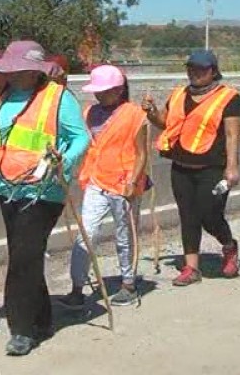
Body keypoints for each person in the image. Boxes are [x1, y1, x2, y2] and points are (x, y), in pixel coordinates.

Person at [0, 40, 89, 357]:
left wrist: (64, 162)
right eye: (11, 69)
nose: (15, 75)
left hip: (44, 191)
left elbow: (81, 139)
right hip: (7, 187)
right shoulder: (1, 96)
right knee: (27, 256)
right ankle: (43, 319)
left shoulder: (59, 98)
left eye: (21, 69)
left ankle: (22, 330)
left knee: (22, 258)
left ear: (36, 71)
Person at [142, 49, 240, 286]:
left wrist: (232, 167)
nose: (195, 73)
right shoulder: (178, 93)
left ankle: (229, 246)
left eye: (201, 69)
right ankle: (191, 268)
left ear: (213, 71)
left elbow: (232, 135)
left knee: (210, 215)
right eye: (191, 68)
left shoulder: (229, 97)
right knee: (188, 216)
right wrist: (152, 112)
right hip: (181, 167)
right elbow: (166, 124)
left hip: (213, 168)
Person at [58, 65, 148, 309]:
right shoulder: (88, 112)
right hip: (96, 180)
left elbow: (141, 154)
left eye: (104, 91)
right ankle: (77, 288)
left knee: (124, 235)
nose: (99, 95)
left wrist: (132, 181)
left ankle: (128, 284)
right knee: (86, 233)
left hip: (123, 183)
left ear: (118, 90)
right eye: (97, 91)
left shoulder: (134, 114)